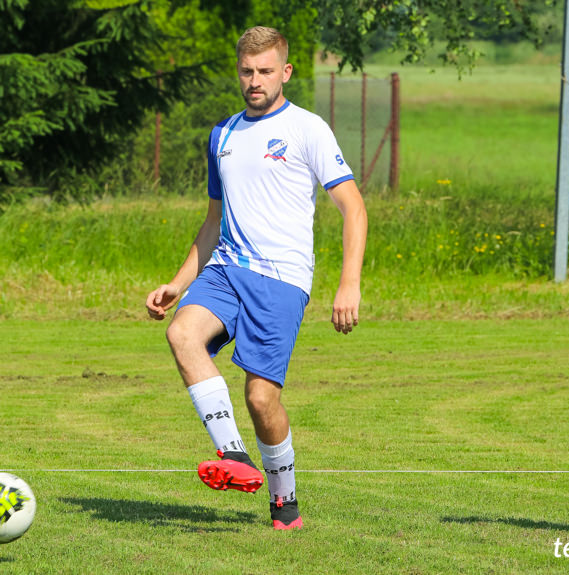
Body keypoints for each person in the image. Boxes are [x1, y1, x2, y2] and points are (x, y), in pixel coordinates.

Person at [145, 26, 367, 531]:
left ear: (285, 72)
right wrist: (178, 284)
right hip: (227, 268)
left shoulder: (307, 129)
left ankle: (284, 501)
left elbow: (353, 207)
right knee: (181, 332)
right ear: (238, 72)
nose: (255, 80)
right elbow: (211, 221)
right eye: (247, 71)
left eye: (266, 71)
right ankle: (233, 454)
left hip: (282, 280)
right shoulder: (221, 135)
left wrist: (348, 283)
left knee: (261, 398)